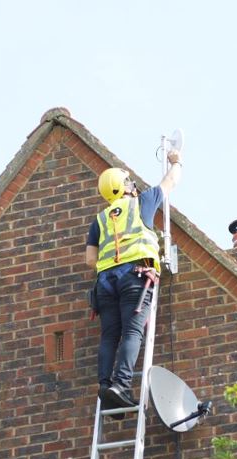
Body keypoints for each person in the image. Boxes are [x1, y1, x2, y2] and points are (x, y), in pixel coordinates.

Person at [85, 150, 182, 414]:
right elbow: (170, 182)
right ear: (126, 186)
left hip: (105, 283)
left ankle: (105, 386)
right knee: (132, 332)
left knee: (109, 336)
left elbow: (90, 259)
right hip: (136, 276)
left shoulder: (100, 220)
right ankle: (122, 385)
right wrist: (175, 161)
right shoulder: (142, 202)